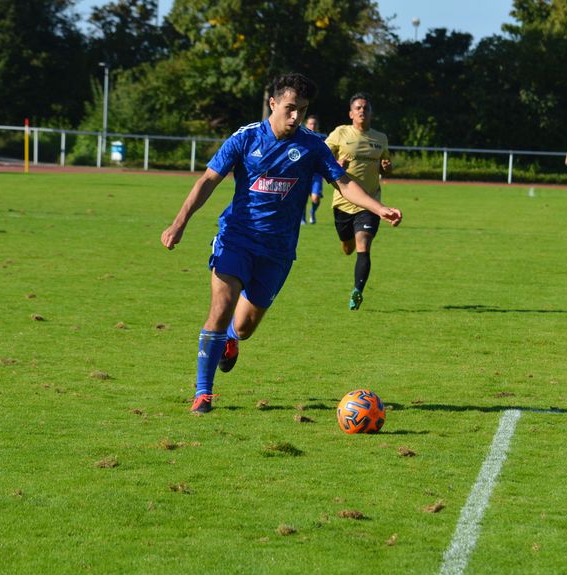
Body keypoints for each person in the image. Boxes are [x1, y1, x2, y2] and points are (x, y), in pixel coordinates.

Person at [160, 73, 403, 414]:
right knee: (221, 306)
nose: (295, 117)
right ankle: (204, 392)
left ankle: (230, 340)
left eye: (301, 110)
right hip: (237, 237)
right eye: (290, 108)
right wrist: (179, 223)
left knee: (244, 326)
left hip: (278, 250)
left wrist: (379, 207)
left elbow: (344, 184)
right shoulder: (245, 138)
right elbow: (208, 180)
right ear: (272, 104)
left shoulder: (311, 146)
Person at [325, 92, 393, 310]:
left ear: (371, 113)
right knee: (348, 247)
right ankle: (347, 241)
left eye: (365, 107)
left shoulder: (380, 138)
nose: (362, 110)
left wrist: (387, 168)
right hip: (343, 202)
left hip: (370, 203)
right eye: (358, 107)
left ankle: (357, 291)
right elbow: (322, 158)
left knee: (364, 244)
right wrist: (337, 164)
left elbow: (387, 165)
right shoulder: (340, 133)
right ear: (351, 113)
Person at [302, 114, 325, 224]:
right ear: (306, 125)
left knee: (315, 198)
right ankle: (302, 219)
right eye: (311, 123)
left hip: (317, 175)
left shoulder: (323, 138)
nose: (313, 126)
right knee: (302, 199)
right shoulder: (301, 137)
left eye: (315, 124)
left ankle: (312, 212)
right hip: (303, 174)